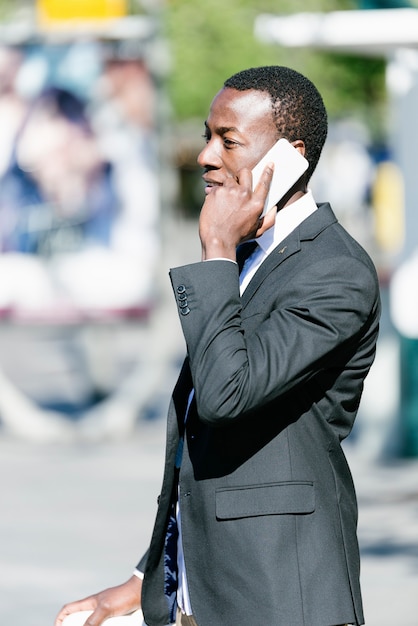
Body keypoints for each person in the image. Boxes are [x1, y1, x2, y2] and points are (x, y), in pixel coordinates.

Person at [55, 66, 380, 626]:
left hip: (281, 598)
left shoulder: (336, 273)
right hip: (203, 597)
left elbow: (227, 395)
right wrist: (144, 579)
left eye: (228, 141)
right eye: (208, 136)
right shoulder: (252, 258)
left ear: (288, 157)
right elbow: (204, 452)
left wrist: (216, 248)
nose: (206, 156)